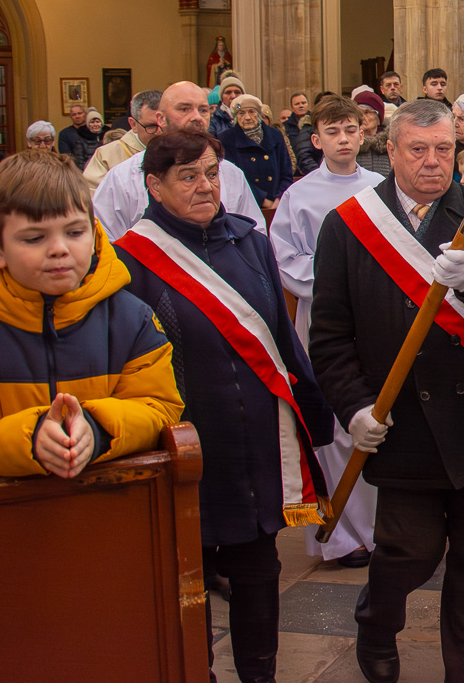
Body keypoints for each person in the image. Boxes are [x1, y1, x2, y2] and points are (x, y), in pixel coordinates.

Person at [309, 99, 464, 683]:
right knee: (408, 551)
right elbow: (329, 336)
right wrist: (354, 407)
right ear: (391, 151)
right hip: (399, 418)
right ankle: (377, 623)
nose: (433, 162)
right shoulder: (349, 224)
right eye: (418, 150)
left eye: (444, 150)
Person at [115, 131, 332, 683]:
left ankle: (260, 675)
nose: (205, 186)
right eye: (188, 176)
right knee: (187, 582)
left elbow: (282, 338)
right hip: (186, 444)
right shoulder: (130, 259)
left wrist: (315, 416)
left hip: (253, 444)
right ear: (154, 186)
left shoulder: (250, 243)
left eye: (211, 173)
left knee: (259, 573)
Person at [0, 150, 182, 480]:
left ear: (94, 235)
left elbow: (159, 409)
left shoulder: (131, 321)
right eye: (34, 238)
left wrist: (97, 429)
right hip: (6, 510)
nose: (59, 249)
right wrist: (29, 438)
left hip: (112, 502)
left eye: (75, 233)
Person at [271, 96, 385, 569]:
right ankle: (341, 536)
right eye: (333, 132)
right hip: (323, 318)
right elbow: (284, 258)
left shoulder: (381, 188)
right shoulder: (299, 195)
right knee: (336, 425)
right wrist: (338, 281)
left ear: (363, 134)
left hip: (376, 317)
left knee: (375, 416)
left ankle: (381, 531)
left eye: (350, 130)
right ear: (316, 140)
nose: (343, 139)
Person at [92, 81, 266, 240]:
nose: (197, 117)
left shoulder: (231, 175)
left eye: (203, 110)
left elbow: (254, 234)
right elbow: (104, 241)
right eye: (184, 109)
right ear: (161, 119)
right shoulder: (123, 177)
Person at [220, 94, 294, 209]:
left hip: (277, 205)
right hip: (247, 205)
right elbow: (232, 177)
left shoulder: (275, 135)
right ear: (235, 117)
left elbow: (286, 172)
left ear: (259, 114)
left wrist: (280, 198)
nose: (247, 117)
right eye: (241, 113)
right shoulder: (227, 139)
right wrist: (263, 200)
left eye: (251, 112)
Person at [84, 90, 162, 190]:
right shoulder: (106, 156)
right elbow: (92, 195)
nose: (160, 132)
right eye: (151, 126)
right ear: (133, 125)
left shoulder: (179, 151)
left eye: (165, 124)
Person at [353, 89, 393, 178]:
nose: (361, 117)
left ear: (378, 119)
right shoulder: (350, 144)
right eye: (358, 112)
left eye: (367, 112)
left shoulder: (391, 143)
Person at [283, 92, 320, 176]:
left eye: (303, 103)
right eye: (297, 104)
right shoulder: (286, 126)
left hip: (314, 168)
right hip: (294, 172)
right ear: (292, 107)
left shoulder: (316, 122)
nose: (301, 106)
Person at [210, 73, 245, 138]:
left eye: (237, 92)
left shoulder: (252, 116)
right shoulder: (213, 120)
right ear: (221, 97)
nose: (233, 96)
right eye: (228, 92)